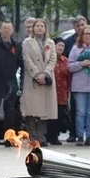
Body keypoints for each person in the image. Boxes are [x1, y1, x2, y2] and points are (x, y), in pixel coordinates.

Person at [21, 18, 57, 146]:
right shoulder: (27, 42)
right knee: (31, 110)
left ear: (46, 28)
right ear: (33, 28)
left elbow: (53, 59)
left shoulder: (51, 43)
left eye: (42, 26)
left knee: (44, 110)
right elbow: (27, 59)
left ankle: (41, 136)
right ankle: (32, 136)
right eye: (37, 26)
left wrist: (45, 74)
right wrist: (37, 75)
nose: (40, 28)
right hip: (33, 80)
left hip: (46, 80)